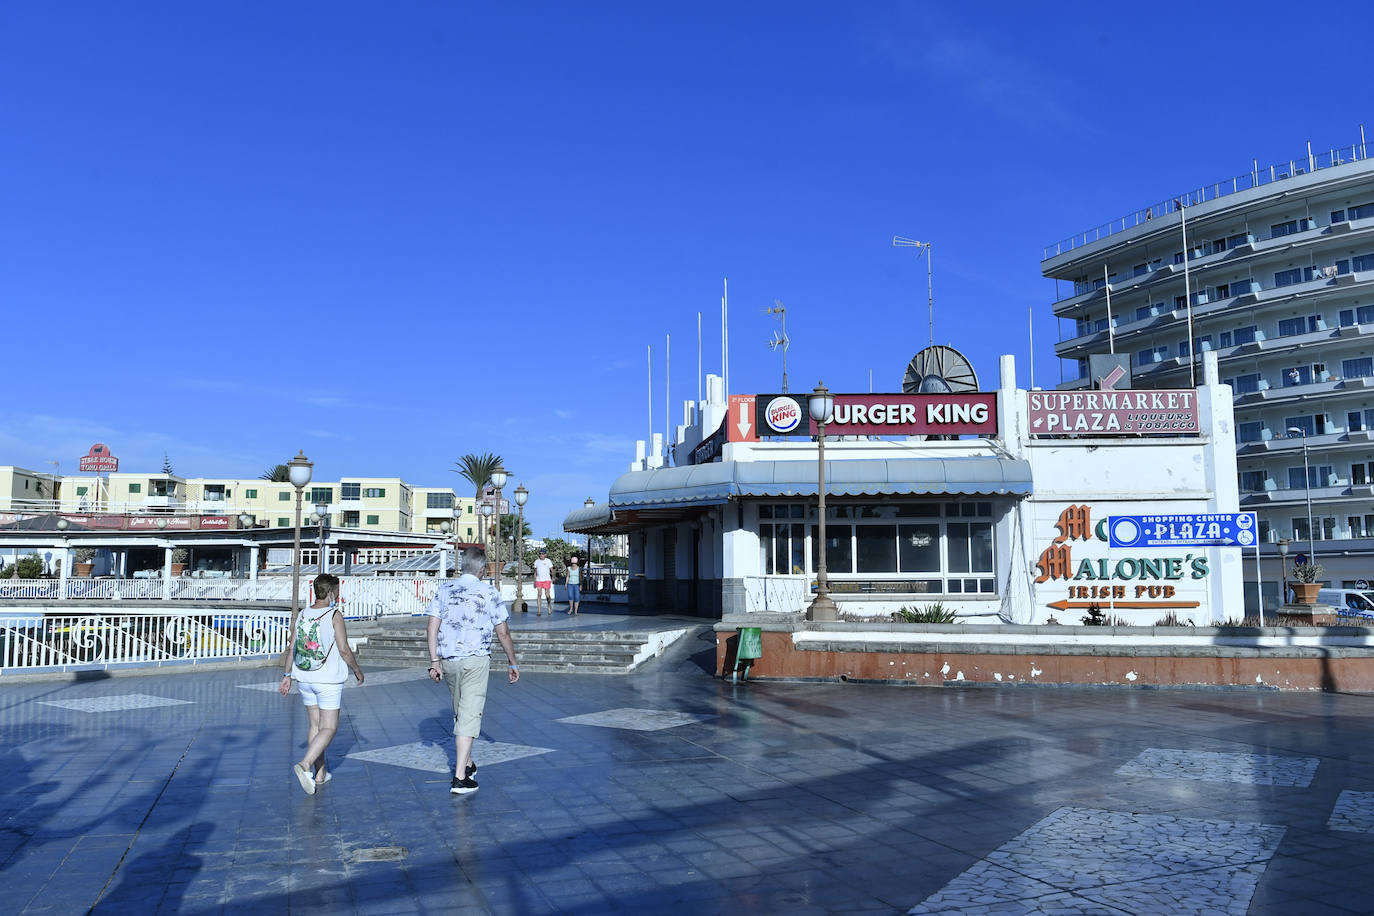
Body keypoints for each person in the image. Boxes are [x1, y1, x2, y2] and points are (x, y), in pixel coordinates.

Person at [427, 546, 519, 795]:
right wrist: (512, 661)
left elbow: (432, 627)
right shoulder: (489, 591)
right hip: (476, 660)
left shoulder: (444, 589)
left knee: (461, 710)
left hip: (448, 660)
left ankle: (467, 762)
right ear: (481, 570)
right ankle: (460, 777)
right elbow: (503, 632)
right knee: (468, 715)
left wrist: (434, 661)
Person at [278, 573, 363, 796]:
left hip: (304, 677)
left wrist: (287, 675)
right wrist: (356, 669)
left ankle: (320, 774)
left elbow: (292, 647)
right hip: (327, 680)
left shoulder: (303, 614)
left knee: (314, 726)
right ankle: (306, 764)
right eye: (337, 591)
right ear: (332, 592)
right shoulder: (334, 614)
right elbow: (344, 649)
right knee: (329, 727)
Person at [532, 547, 554, 616]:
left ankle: (549, 606)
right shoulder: (536, 561)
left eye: (542, 554)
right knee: (539, 594)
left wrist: (553, 577)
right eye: (540, 554)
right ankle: (539, 610)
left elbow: (552, 570)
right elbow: (535, 572)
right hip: (539, 580)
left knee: (547, 595)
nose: (541, 555)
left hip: (547, 580)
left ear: (545, 555)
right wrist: (534, 581)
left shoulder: (548, 561)